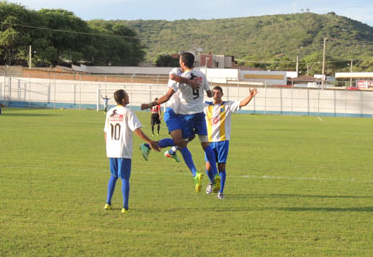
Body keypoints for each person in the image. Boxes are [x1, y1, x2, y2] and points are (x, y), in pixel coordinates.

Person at [141, 52, 220, 193]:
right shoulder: (202, 75)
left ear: (183, 63)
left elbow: (167, 96)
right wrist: (207, 93)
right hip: (200, 114)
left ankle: (151, 146)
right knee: (205, 145)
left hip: (186, 115)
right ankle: (215, 174)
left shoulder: (181, 78)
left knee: (181, 143)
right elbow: (209, 93)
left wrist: (149, 104)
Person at [104, 89, 160, 213]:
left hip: (111, 149)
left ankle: (108, 203)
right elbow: (137, 130)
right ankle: (125, 206)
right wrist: (150, 141)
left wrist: (108, 146)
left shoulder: (110, 112)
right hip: (123, 149)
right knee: (124, 178)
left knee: (113, 175)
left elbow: (106, 132)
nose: (129, 97)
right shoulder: (128, 112)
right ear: (123, 99)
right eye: (127, 96)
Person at [204, 86, 258, 199]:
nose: (216, 95)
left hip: (223, 141)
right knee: (208, 168)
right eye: (214, 93)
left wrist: (251, 96)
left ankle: (221, 192)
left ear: (222, 94)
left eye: (218, 93)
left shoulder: (227, 105)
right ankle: (211, 182)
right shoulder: (206, 106)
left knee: (221, 166)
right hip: (209, 142)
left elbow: (242, 103)